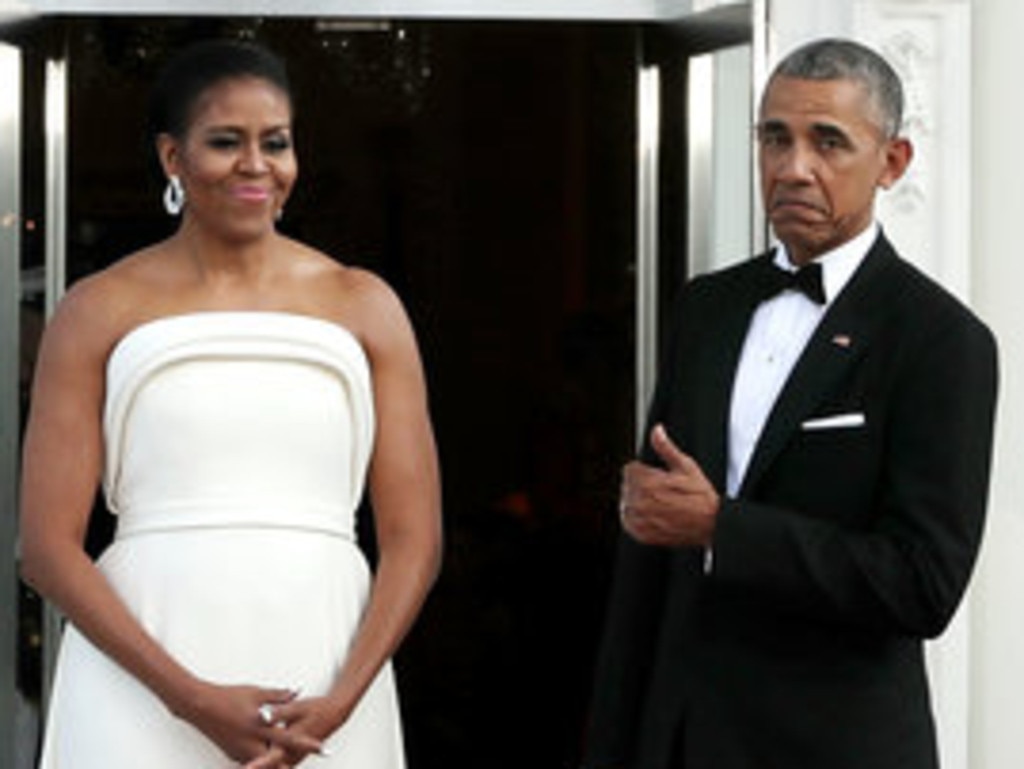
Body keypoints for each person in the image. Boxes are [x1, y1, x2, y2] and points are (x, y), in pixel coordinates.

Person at [19, 38, 442, 769]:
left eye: (274, 142)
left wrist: (343, 697)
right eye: (226, 141)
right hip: (142, 670)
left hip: (327, 665)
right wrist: (188, 696)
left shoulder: (364, 304)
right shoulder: (97, 309)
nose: (256, 164)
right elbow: (46, 548)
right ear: (172, 158)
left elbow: (416, 539)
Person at [583, 37, 998, 769]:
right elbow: (648, 565)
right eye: (775, 137)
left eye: (828, 141)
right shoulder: (706, 308)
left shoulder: (940, 338)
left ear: (892, 162)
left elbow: (923, 582)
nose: (793, 167)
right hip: (681, 737)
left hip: (834, 746)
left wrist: (722, 528)